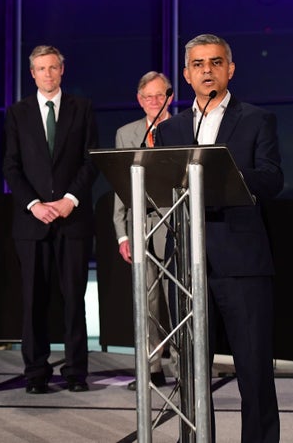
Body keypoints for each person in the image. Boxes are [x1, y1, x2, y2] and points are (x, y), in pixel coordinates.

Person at [154, 34, 282, 442]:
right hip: (186, 266)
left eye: (215, 62)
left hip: (241, 262)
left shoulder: (257, 119)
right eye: (198, 64)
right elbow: (160, 185)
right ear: (187, 74)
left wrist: (225, 175)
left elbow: (272, 177)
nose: (206, 70)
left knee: (253, 368)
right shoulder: (171, 128)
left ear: (230, 69)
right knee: (191, 371)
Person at [3, 45, 99, 394]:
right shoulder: (17, 113)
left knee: (75, 299)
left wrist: (70, 200)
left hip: (72, 220)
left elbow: (91, 160)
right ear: (32, 73)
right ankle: (36, 373)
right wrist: (34, 204)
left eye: (53, 67)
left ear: (62, 70)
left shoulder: (82, 108)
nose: (47, 74)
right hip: (32, 223)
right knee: (33, 301)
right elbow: (10, 166)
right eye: (41, 69)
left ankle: (75, 372)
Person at [112, 71, 174, 390]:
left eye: (158, 95)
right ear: (139, 100)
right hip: (140, 227)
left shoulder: (183, 129)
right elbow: (121, 185)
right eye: (147, 97)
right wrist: (122, 233)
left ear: (170, 97)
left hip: (176, 226)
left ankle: (182, 367)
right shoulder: (126, 133)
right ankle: (151, 367)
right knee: (145, 302)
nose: (153, 102)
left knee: (176, 300)